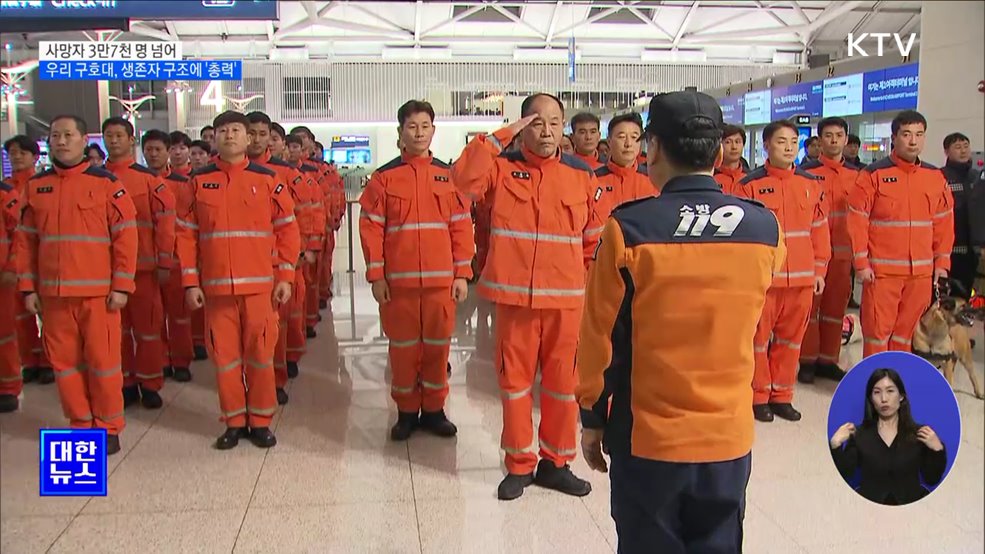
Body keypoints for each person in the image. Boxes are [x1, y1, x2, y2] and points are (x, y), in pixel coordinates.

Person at [578, 91, 785, 554]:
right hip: (728, 438)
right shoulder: (765, 230)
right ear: (718, 154)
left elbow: (600, 336)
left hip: (649, 440)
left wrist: (592, 416)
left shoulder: (629, 229)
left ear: (652, 149)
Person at [453, 93, 603, 501]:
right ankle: (519, 464)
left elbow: (593, 239)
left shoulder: (581, 175)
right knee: (515, 386)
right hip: (515, 300)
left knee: (563, 387)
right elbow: (462, 181)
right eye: (537, 123)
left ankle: (556, 463)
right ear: (522, 128)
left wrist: (591, 292)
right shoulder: (500, 168)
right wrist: (499, 138)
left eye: (555, 122)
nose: (547, 131)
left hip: (566, 303)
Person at [176, 110, 300, 450]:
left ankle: (260, 421)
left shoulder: (268, 179)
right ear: (214, 138)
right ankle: (233, 421)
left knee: (260, 356)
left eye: (235, 130)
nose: (229, 135)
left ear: (248, 138)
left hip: (260, 289)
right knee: (225, 359)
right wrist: (190, 282)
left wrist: (285, 275)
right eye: (222, 131)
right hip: (217, 291)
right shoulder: (198, 182)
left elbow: (288, 230)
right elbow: (185, 235)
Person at [15, 114, 138, 454]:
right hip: (53, 297)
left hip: (99, 296)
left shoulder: (106, 184)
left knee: (104, 364)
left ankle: (108, 427)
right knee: (65, 367)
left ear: (84, 141)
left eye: (68, 135)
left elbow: (126, 237)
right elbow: (25, 243)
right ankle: (81, 424)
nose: (61, 141)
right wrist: (28, 288)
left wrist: (122, 285)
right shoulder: (36, 187)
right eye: (55, 135)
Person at [359, 100, 474, 440]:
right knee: (404, 351)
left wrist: (462, 273)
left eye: (425, 126)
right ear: (400, 132)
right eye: (412, 127)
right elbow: (371, 229)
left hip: (441, 284)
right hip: (399, 286)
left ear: (433, 131)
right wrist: (376, 276)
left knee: (438, 350)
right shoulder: (383, 179)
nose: (419, 133)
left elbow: (461, 226)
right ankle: (407, 413)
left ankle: (435, 411)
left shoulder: (449, 177)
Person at [736, 120, 830, 423]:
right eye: (781, 142)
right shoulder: (749, 185)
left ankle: (782, 396)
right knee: (758, 341)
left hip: (802, 277)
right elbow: (742, 234)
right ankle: (759, 396)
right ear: (766, 146)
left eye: (793, 142)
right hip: (765, 280)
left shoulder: (811, 184)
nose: (788, 148)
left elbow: (819, 230)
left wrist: (820, 269)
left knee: (791, 342)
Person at [848, 110, 954, 357]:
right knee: (877, 334)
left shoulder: (935, 177)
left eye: (919, 134)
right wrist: (861, 263)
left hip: (921, 275)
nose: (913, 141)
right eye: (906, 134)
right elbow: (857, 221)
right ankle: (876, 379)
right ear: (894, 138)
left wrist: (942, 264)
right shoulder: (873, 175)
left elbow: (944, 223)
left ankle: (897, 378)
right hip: (882, 274)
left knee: (905, 335)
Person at [246, 111, 320, 404]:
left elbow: (304, 213)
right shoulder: (226, 174)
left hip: (279, 262)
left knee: (277, 324)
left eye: (264, 134)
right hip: (244, 265)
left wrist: (303, 250)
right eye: (251, 133)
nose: (257, 140)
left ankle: (276, 378)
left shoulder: (285, 174)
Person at [102, 116, 175, 409]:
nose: (113, 140)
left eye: (119, 135)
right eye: (109, 135)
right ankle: (126, 383)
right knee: (115, 333)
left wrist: (164, 262)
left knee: (148, 331)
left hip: (143, 270)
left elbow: (166, 224)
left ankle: (151, 383)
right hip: (105, 273)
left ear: (131, 140)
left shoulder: (149, 181)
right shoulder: (94, 179)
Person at [799, 117, 859, 383]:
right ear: (819, 140)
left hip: (843, 257)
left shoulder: (858, 176)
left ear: (846, 139)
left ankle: (828, 359)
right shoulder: (805, 174)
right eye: (828, 135)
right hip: (812, 255)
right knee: (810, 310)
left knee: (835, 311)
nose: (834, 140)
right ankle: (807, 360)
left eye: (839, 135)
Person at [829, 368, 946, 506]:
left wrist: (937, 449)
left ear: (901, 396)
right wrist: (835, 445)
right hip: (869, 508)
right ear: (871, 399)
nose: (884, 399)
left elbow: (932, 478)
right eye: (877, 392)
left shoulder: (919, 434)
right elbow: (845, 474)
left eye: (890, 391)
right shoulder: (860, 435)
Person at [2, 136, 50, 385]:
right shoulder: (6, 187)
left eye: (22, 152)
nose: (17, 157)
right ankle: (30, 360)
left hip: (38, 258)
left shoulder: (42, 185)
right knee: (20, 316)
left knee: (46, 313)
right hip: (12, 264)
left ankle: (48, 361)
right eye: (12, 152)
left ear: (35, 157)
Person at [593, 112, 653, 221]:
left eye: (634, 137)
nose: (628, 144)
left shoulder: (653, 180)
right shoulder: (594, 180)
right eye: (622, 137)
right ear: (609, 141)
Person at [941, 132, 978, 299]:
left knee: (972, 297)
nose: (963, 151)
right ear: (946, 151)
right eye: (957, 147)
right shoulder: (940, 177)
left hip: (975, 251)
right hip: (950, 250)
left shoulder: (977, 177)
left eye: (966, 146)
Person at [0, 177, 22, 412]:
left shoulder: (6, 195)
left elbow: (20, 234)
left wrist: (11, 267)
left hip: (2, 279)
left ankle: (7, 388)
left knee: (3, 334)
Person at [714, 124, 747, 195]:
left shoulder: (751, 178)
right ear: (719, 146)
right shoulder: (711, 177)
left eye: (737, 142)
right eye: (728, 142)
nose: (734, 147)